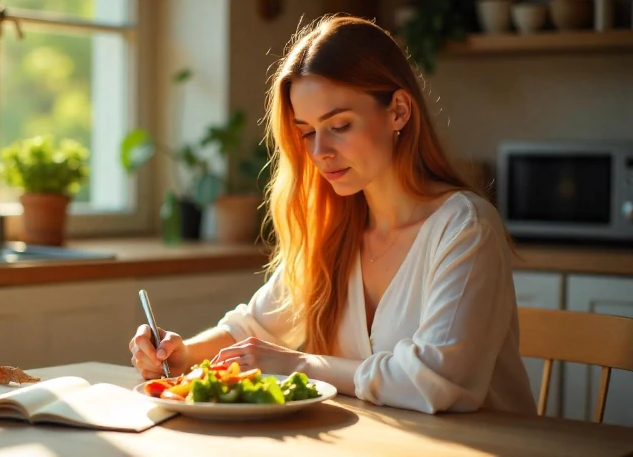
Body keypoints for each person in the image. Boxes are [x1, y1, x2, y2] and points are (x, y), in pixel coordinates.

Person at [129, 15, 537, 415]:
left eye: (339, 124)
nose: (319, 151)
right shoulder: (332, 226)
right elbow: (254, 330)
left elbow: (437, 381)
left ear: (398, 111)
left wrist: (300, 364)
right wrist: (183, 355)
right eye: (306, 131)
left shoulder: (465, 227)